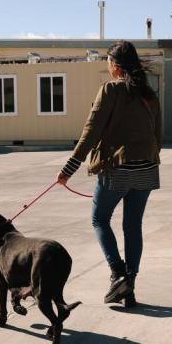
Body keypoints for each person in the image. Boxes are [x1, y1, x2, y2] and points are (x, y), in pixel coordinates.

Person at [57, 41, 161, 308]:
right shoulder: (149, 94)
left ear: (115, 64)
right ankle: (130, 285)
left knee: (99, 219)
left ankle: (117, 274)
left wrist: (69, 168)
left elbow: (91, 131)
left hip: (118, 169)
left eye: (107, 61)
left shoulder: (110, 90)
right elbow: (158, 135)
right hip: (147, 169)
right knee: (132, 226)